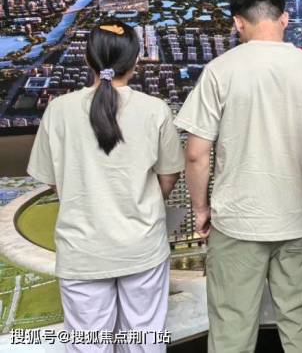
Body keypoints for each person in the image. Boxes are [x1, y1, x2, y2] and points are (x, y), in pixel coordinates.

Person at [175, 0, 302, 353]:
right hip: (299, 219)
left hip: (237, 221)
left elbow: (196, 153)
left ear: (238, 23)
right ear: (285, 18)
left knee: (232, 329)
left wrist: (201, 209)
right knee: (301, 326)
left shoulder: (220, 70)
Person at [27, 22, 184, 351]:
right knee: (144, 340)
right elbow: (169, 175)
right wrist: (145, 203)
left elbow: (53, 180)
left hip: (82, 250)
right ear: (136, 60)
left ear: (88, 59)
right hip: (142, 246)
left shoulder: (58, 110)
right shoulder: (155, 110)